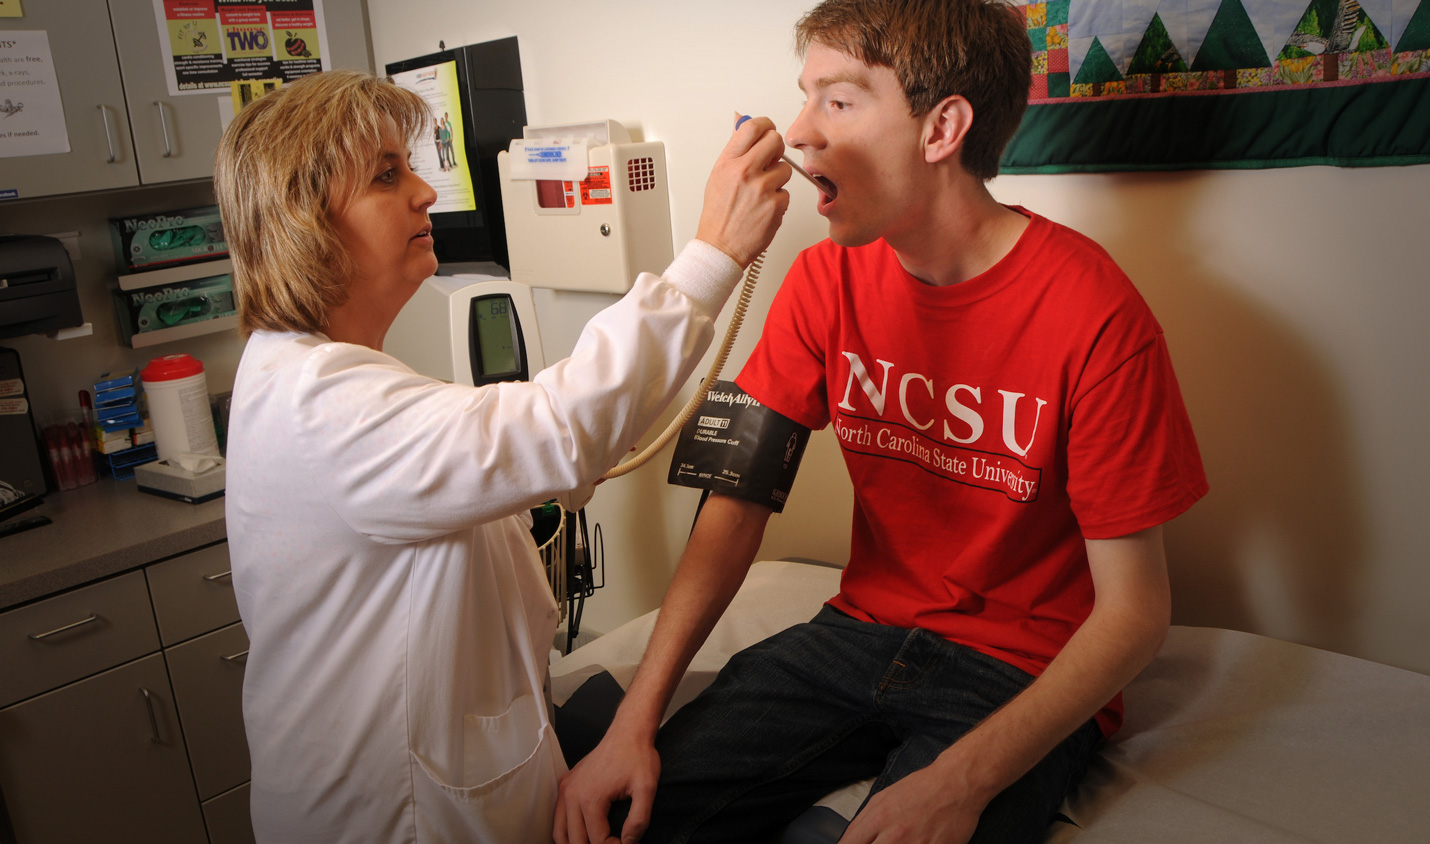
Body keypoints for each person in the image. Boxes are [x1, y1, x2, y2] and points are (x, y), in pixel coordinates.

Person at [554, 2, 1209, 843]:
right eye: (804, 98)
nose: (796, 132)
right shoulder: (823, 281)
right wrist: (632, 723)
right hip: (858, 635)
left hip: (1019, 670)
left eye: (838, 100)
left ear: (942, 129)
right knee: (628, 818)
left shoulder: (1096, 316)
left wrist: (958, 782)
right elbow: (736, 501)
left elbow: (1135, 613)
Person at [214, 69, 790, 844]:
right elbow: (562, 426)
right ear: (305, 221)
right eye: (388, 175)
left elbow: (532, 448)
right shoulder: (320, 404)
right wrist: (714, 253)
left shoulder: (322, 375)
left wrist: (554, 473)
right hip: (396, 813)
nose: (425, 191)